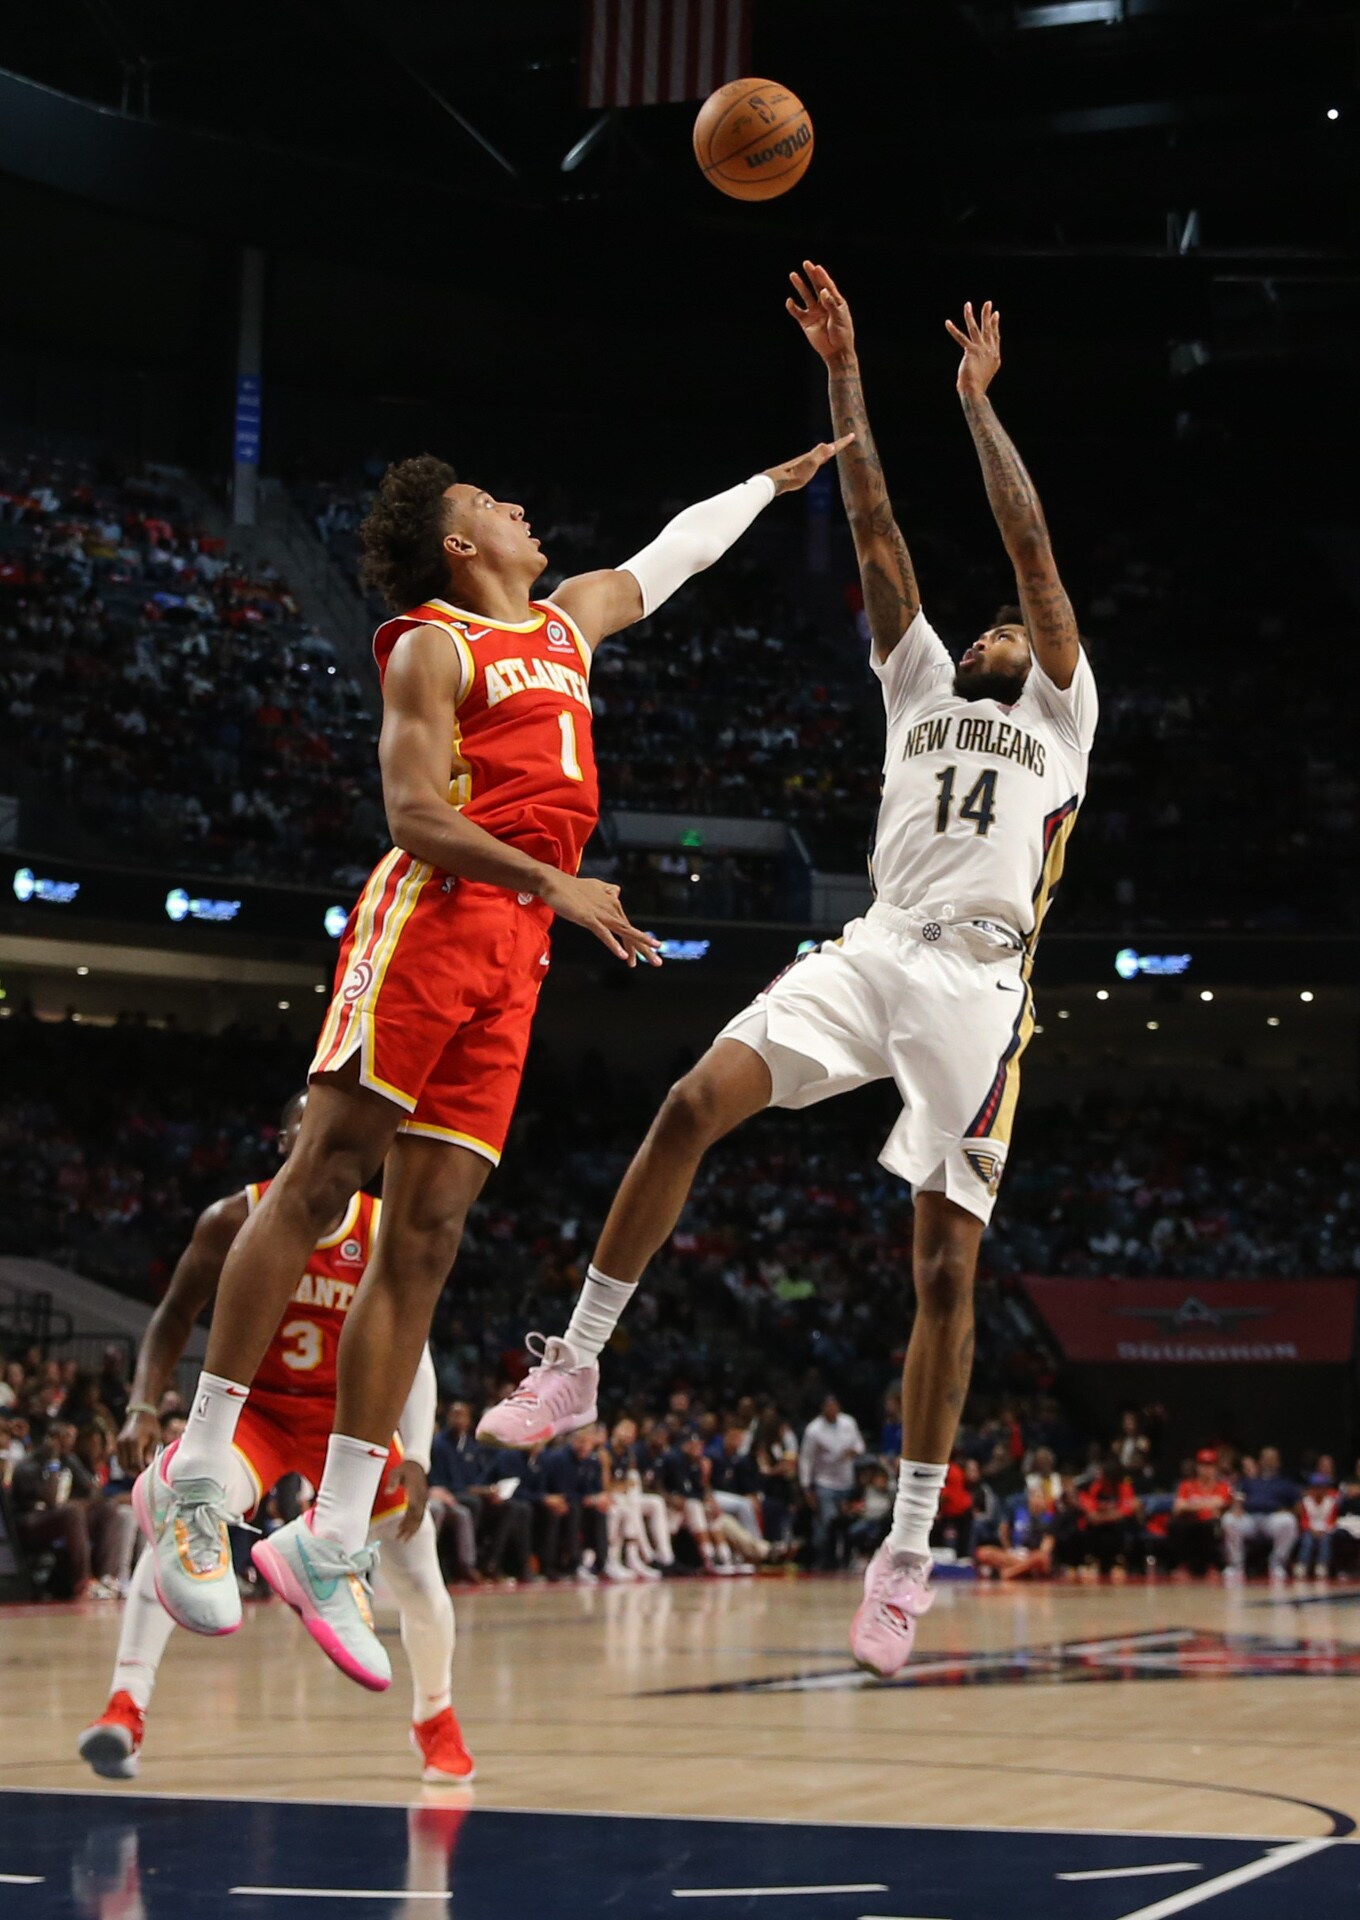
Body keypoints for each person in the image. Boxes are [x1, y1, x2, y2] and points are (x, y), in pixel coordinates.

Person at [139, 431, 845, 1681]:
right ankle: (198, 1473)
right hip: (433, 912)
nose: (523, 505)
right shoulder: (433, 642)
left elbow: (668, 558)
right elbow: (413, 812)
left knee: (428, 1236)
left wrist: (772, 485)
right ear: (462, 546)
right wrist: (555, 883)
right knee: (323, 1177)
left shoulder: (568, 625)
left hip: (517, 945)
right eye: (494, 502)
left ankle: (331, 1539)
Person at [485, 267, 1098, 1680]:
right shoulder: (922, 680)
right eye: (992, 625)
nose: (998, 628)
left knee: (945, 1273)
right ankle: (575, 1360)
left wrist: (975, 405)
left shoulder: (1063, 711)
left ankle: (906, 1552)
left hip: (983, 993)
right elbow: (875, 516)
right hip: (879, 943)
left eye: (1010, 627)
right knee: (696, 1097)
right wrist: (846, 373)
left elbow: (1037, 553)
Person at [81, 1092, 471, 1784]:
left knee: (418, 1570)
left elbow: (415, 1352)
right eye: (307, 1127)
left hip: (347, 1419)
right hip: (256, 1413)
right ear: (294, 1137)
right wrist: (143, 1403)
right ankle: (124, 1705)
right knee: (181, 1525)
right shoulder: (236, 1216)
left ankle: (435, 1716)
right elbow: (173, 1316)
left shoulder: (384, 1228)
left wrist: (418, 1454)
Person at [799, 1395, 866, 1570]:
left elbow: (860, 1445)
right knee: (826, 1522)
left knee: (845, 1523)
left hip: (845, 1481)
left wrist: (854, 1451)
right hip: (824, 1482)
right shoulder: (814, 1430)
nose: (832, 1410)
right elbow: (806, 1459)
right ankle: (822, 1561)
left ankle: (842, 1560)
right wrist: (806, 1487)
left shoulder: (848, 1423)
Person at [1222, 1445, 1299, 1585]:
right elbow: (1238, 1499)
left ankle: (1277, 1565)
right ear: (1260, 1461)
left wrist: (1289, 1511)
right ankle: (1236, 1566)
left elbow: (1298, 1507)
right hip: (1249, 1518)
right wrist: (1236, 1508)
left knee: (1289, 1521)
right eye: (1265, 1459)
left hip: (1272, 1519)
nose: (1269, 1462)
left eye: (1272, 1459)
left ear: (1278, 1462)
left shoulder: (1286, 1483)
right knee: (1229, 1519)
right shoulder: (1249, 1481)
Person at [1168, 1449, 1233, 1578]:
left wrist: (1192, 1504)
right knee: (1176, 1524)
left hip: (1211, 1523)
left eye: (1210, 1465)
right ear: (1197, 1467)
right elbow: (1178, 1507)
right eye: (1202, 1465)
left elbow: (1220, 1503)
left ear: (1215, 1468)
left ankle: (1213, 1566)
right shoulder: (1186, 1485)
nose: (1206, 1469)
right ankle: (1183, 1566)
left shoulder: (1223, 1486)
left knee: (1211, 1525)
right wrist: (1207, 1503)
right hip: (1191, 1522)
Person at [1296, 1472, 1339, 1581]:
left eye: (1321, 1487)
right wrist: (1311, 1529)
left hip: (1325, 1530)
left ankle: (1322, 1566)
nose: (1319, 1490)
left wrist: (1324, 1529)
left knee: (1326, 1540)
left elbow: (1332, 1520)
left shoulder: (1331, 1502)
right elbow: (1304, 1520)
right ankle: (1302, 1565)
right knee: (1307, 1541)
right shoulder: (1306, 1502)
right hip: (1310, 1529)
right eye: (1316, 1487)